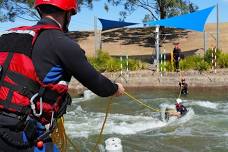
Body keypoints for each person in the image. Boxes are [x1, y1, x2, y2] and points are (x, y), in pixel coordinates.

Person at [0, 0, 125, 151]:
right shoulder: (62, 43)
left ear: (39, 9)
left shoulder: (9, 36)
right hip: (23, 134)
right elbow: (100, 85)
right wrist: (116, 88)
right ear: (68, 14)